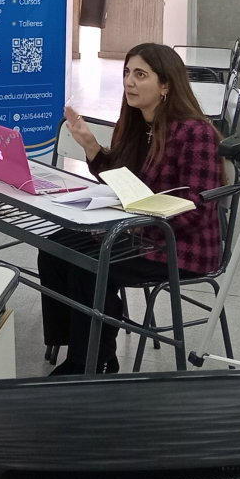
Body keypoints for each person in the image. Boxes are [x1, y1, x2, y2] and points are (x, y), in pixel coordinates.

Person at [39, 43, 224, 375]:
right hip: (141, 230)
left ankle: (88, 362)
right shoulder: (140, 123)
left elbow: (197, 210)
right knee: (54, 249)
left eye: (140, 75)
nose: (129, 82)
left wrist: (135, 226)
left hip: (181, 246)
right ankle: (84, 349)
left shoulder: (196, 133)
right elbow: (122, 180)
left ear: (166, 85)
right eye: (127, 73)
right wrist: (92, 146)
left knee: (89, 263)